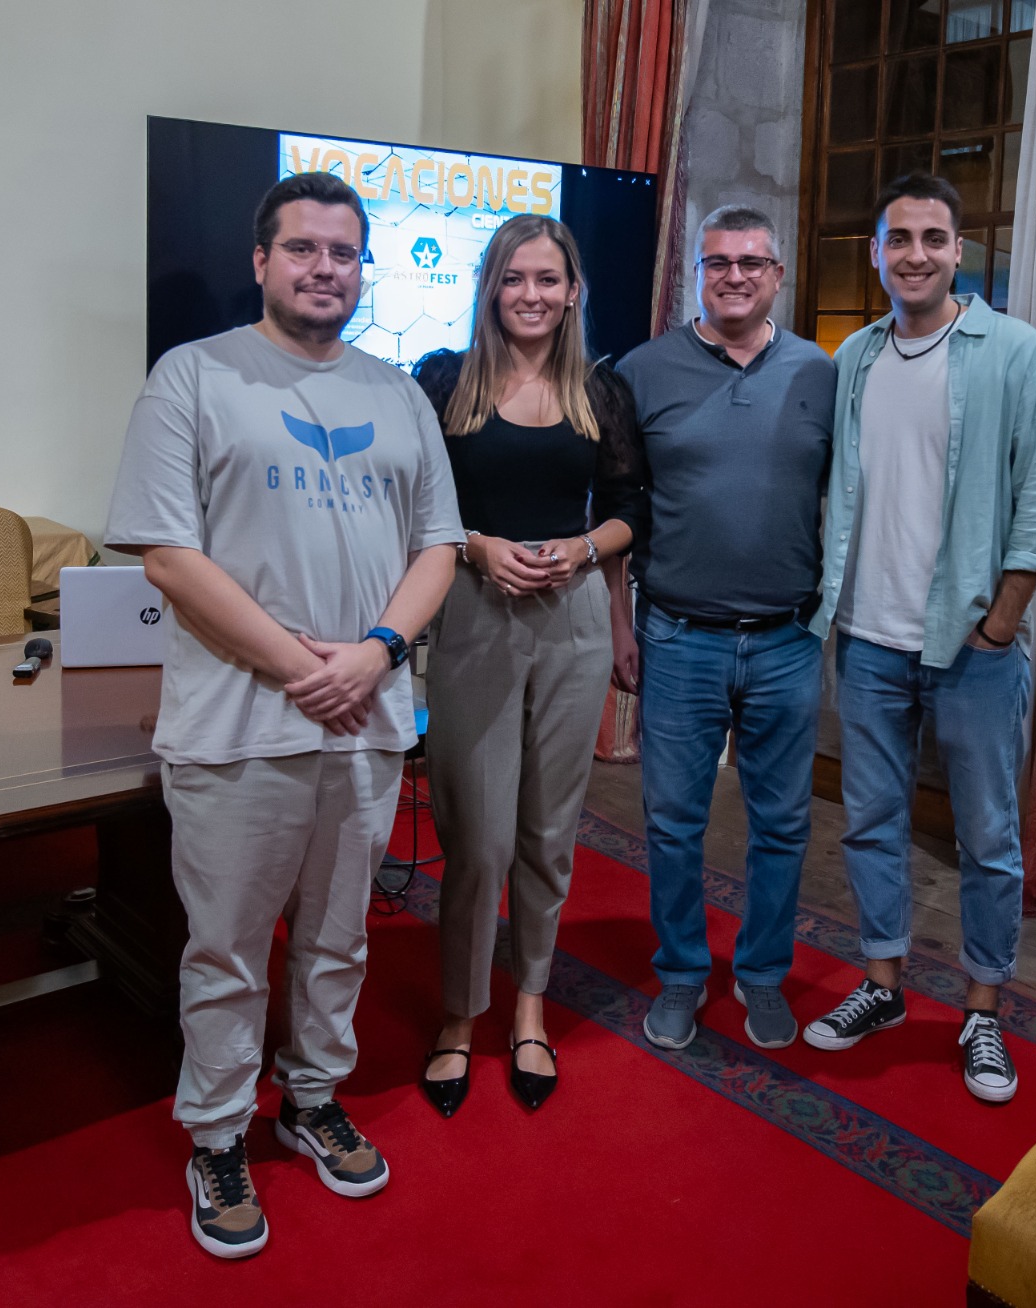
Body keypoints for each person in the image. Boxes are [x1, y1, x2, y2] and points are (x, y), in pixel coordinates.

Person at [105, 172, 464, 1259]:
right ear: (261, 261)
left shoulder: (398, 391)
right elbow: (168, 553)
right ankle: (216, 1133)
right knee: (224, 952)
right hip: (237, 724)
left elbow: (438, 545)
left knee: (338, 939)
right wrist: (303, 666)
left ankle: (311, 1098)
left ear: (363, 270)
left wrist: (376, 655)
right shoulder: (194, 377)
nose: (324, 269)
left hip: (363, 722)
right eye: (302, 249)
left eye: (343, 253)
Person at [799, 173, 1036, 1105]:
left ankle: (984, 1009)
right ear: (876, 254)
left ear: (960, 252)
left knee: (988, 838)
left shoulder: (1018, 354)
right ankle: (881, 985)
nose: (914, 253)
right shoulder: (856, 360)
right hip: (870, 640)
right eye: (898, 238)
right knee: (872, 823)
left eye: (932, 237)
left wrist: (1001, 624)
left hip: (972, 650)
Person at [411, 214, 642, 1117]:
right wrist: (475, 545)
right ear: (490, 288)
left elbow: (631, 509)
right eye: (515, 279)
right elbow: (416, 500)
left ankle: (530, 1007)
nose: (533, 295)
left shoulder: (599, 389)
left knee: (548, 832)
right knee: (479, 835)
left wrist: (584, 550)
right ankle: (459, 1017)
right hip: (474, 607)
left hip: (574, 613)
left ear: (573, 289)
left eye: (549, 279)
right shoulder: (443, 380)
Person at [612, 205, 835, 1053]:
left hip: (786, 640)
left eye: (752, 261)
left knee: (782, 825)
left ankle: (764, 975)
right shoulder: (642, 371)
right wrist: (618, 623)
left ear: (778, 275)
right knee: (674, 821)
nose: (734, 274)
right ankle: (679, 974)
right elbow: (619, 508)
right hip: (677, 636)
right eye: (717, 262)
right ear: (695, 274)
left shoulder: (821, 373)